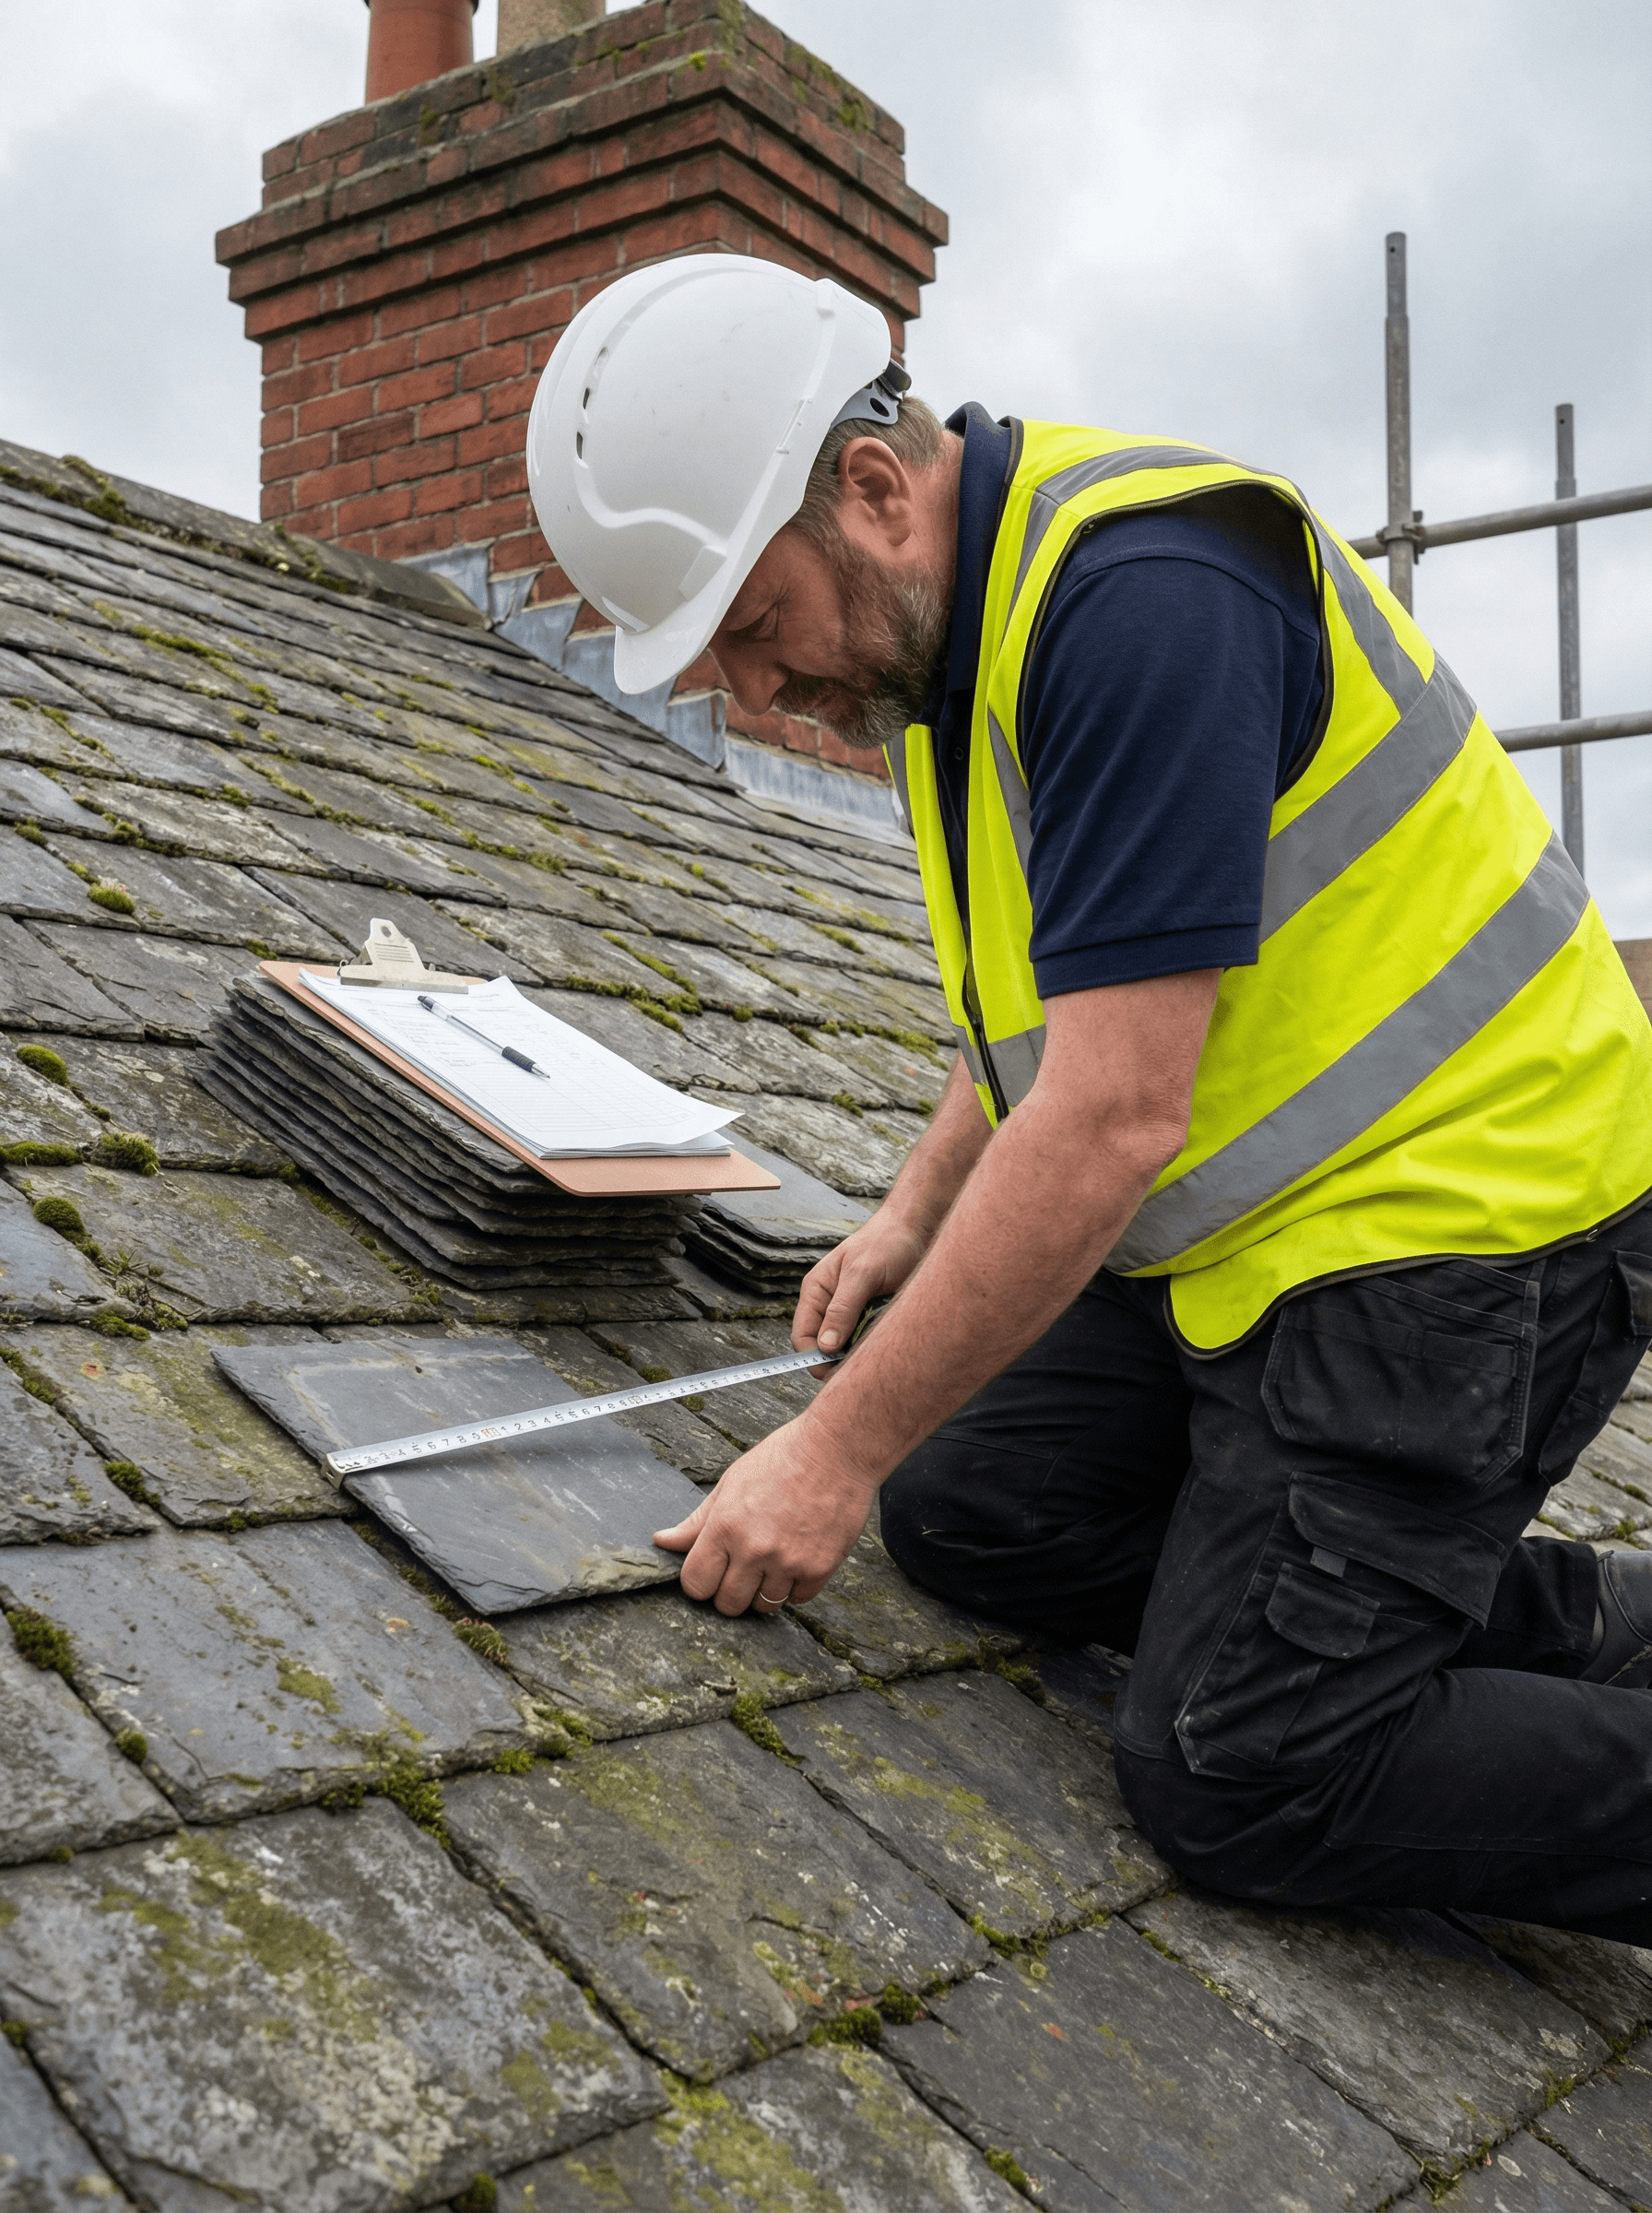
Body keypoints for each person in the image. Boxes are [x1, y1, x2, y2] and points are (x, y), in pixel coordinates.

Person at [525, 254, 1652, 1939]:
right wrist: (915, 1208)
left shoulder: (1146, 601)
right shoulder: (949, 648)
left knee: (1244, 1769)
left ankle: (1350, 1651)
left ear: (877, 488)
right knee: (978, 1516)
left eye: (760, 628)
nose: (762, 698)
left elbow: (1114, 1116)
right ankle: (1495, 1620)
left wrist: (821, 1455)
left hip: (1472, 1238)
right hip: (1264, 1233)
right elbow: (1071, 1010)